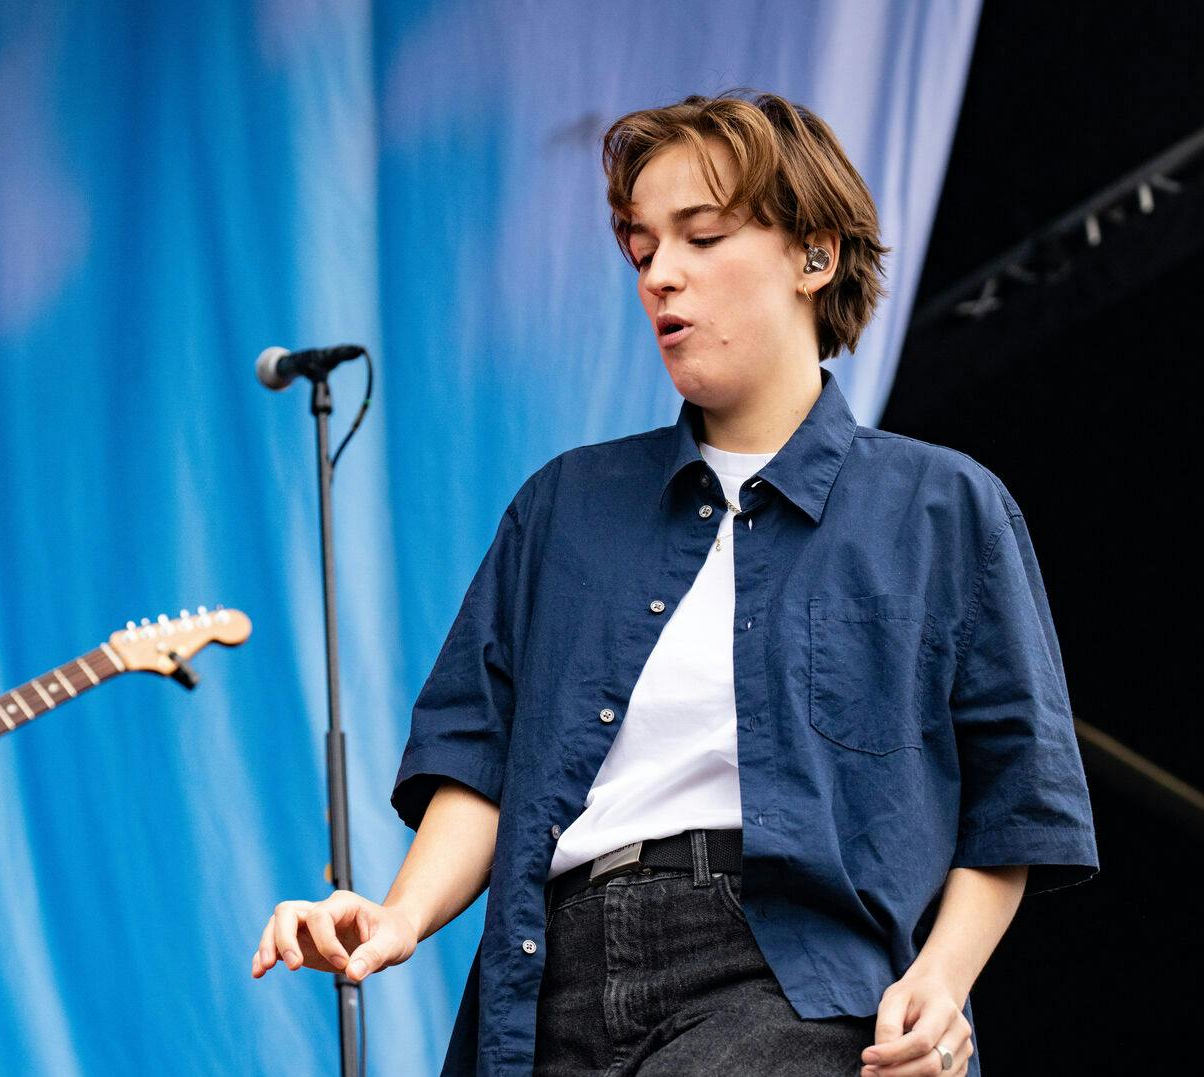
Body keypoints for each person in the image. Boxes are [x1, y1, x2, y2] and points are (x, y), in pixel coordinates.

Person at [251, 92, 1097, 1077]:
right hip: (542, 985)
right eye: (642, 247)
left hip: (790, 983)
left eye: (701, 236)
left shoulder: (942, 507)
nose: (662, 274)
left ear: (814, 257)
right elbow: (479, 764)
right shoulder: (564, 504)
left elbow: (1016, 801)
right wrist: (398, 915)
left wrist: (940, 984)